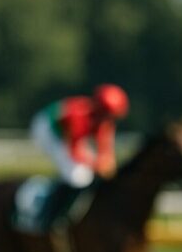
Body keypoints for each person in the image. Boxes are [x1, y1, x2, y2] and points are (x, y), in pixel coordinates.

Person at [28, 83, 129, 231]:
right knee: (76, 175)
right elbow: (74, 151)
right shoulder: (79, 115)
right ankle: (49, 216)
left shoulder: (104, 120)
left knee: (89, 171)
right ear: (100, 110)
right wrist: (96, 165)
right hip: (48, 130)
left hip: (68, 137)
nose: (109, 120)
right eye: (107, 116)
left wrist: (106, 164)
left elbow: (105, 150)